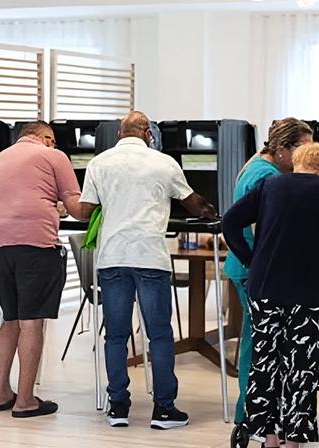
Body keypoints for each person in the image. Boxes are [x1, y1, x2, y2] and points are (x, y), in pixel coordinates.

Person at [79, 111, 216, 430]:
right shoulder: (164, 163)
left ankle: (118, 408)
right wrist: (214, 210)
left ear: (118, 134)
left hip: (112, 256)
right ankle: (164, 410)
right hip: (149, 256)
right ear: (148, 134)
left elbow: (86, 211)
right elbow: (194, 204)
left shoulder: (100, 163)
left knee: (115, 335)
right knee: (159, 335)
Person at [223, 143, 319, 448]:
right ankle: (292, 440)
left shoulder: (270, 185)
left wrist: (250, 258)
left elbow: (230, 221)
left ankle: (268, 436)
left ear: (296, 162)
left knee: (265, 361)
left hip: (264, 287)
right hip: (306, 291)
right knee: (301, 364)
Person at [0, 121, 91, 418]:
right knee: (32, 321)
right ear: (45, 138)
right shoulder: (53, 156)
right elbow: (80, 210)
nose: (54, 146)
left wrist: (53, 206)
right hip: (34, 246)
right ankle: (26, 400)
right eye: (53, 141)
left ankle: (1, 393)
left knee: (11, 317)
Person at [223, 117, 314, 425]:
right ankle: (249, 414)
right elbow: (255, 226)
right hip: (253, 268)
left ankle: (256, 412)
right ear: (282, 149)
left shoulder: (260, 166)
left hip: (249, 266)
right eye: (302, 149)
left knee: (257, 339)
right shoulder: (267, 177)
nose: (306, 158)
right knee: (259, 342)